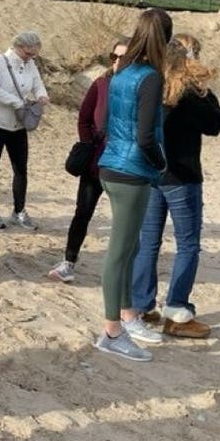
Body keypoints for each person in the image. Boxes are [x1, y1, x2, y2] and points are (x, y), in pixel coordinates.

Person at [130, 34, 220, 339]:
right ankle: (177, 311)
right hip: (182, 176)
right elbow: (216, 122)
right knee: (187, 245)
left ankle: (142, 304)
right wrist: (205, 92)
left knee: (149, 242)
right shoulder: (187, 93)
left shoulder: (151, 85)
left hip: (152, 173)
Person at [93, 8, 172, 362]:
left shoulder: (121, 70)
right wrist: (161, 164)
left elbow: (107, 121)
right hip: (133, 170)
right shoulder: (151, 77)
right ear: (165, 39)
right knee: (120, 251)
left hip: (112, 165)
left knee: (127, 245)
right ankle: (112, 331)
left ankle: (126, 315)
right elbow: (144, 136)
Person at [48, 36, 129, 283]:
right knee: (82, 213)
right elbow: (84, 118)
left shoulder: (142, 88)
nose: (117, 62)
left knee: (125, 220)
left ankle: (122, 271)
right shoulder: (101, 84)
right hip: (96, 163)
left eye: (123, 57)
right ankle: (68, 262)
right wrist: (88, 142)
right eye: (113, 57)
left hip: (124, 166)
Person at [0, 31, 49, 230]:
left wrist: (42, 95)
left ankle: (19, 211)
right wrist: (16, 102)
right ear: (18, 48)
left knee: (21, 168)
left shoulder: (30, 64)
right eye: (28, 54)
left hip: (18, 124)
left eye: (34, 55)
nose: (31, 58)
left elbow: (37, 84)